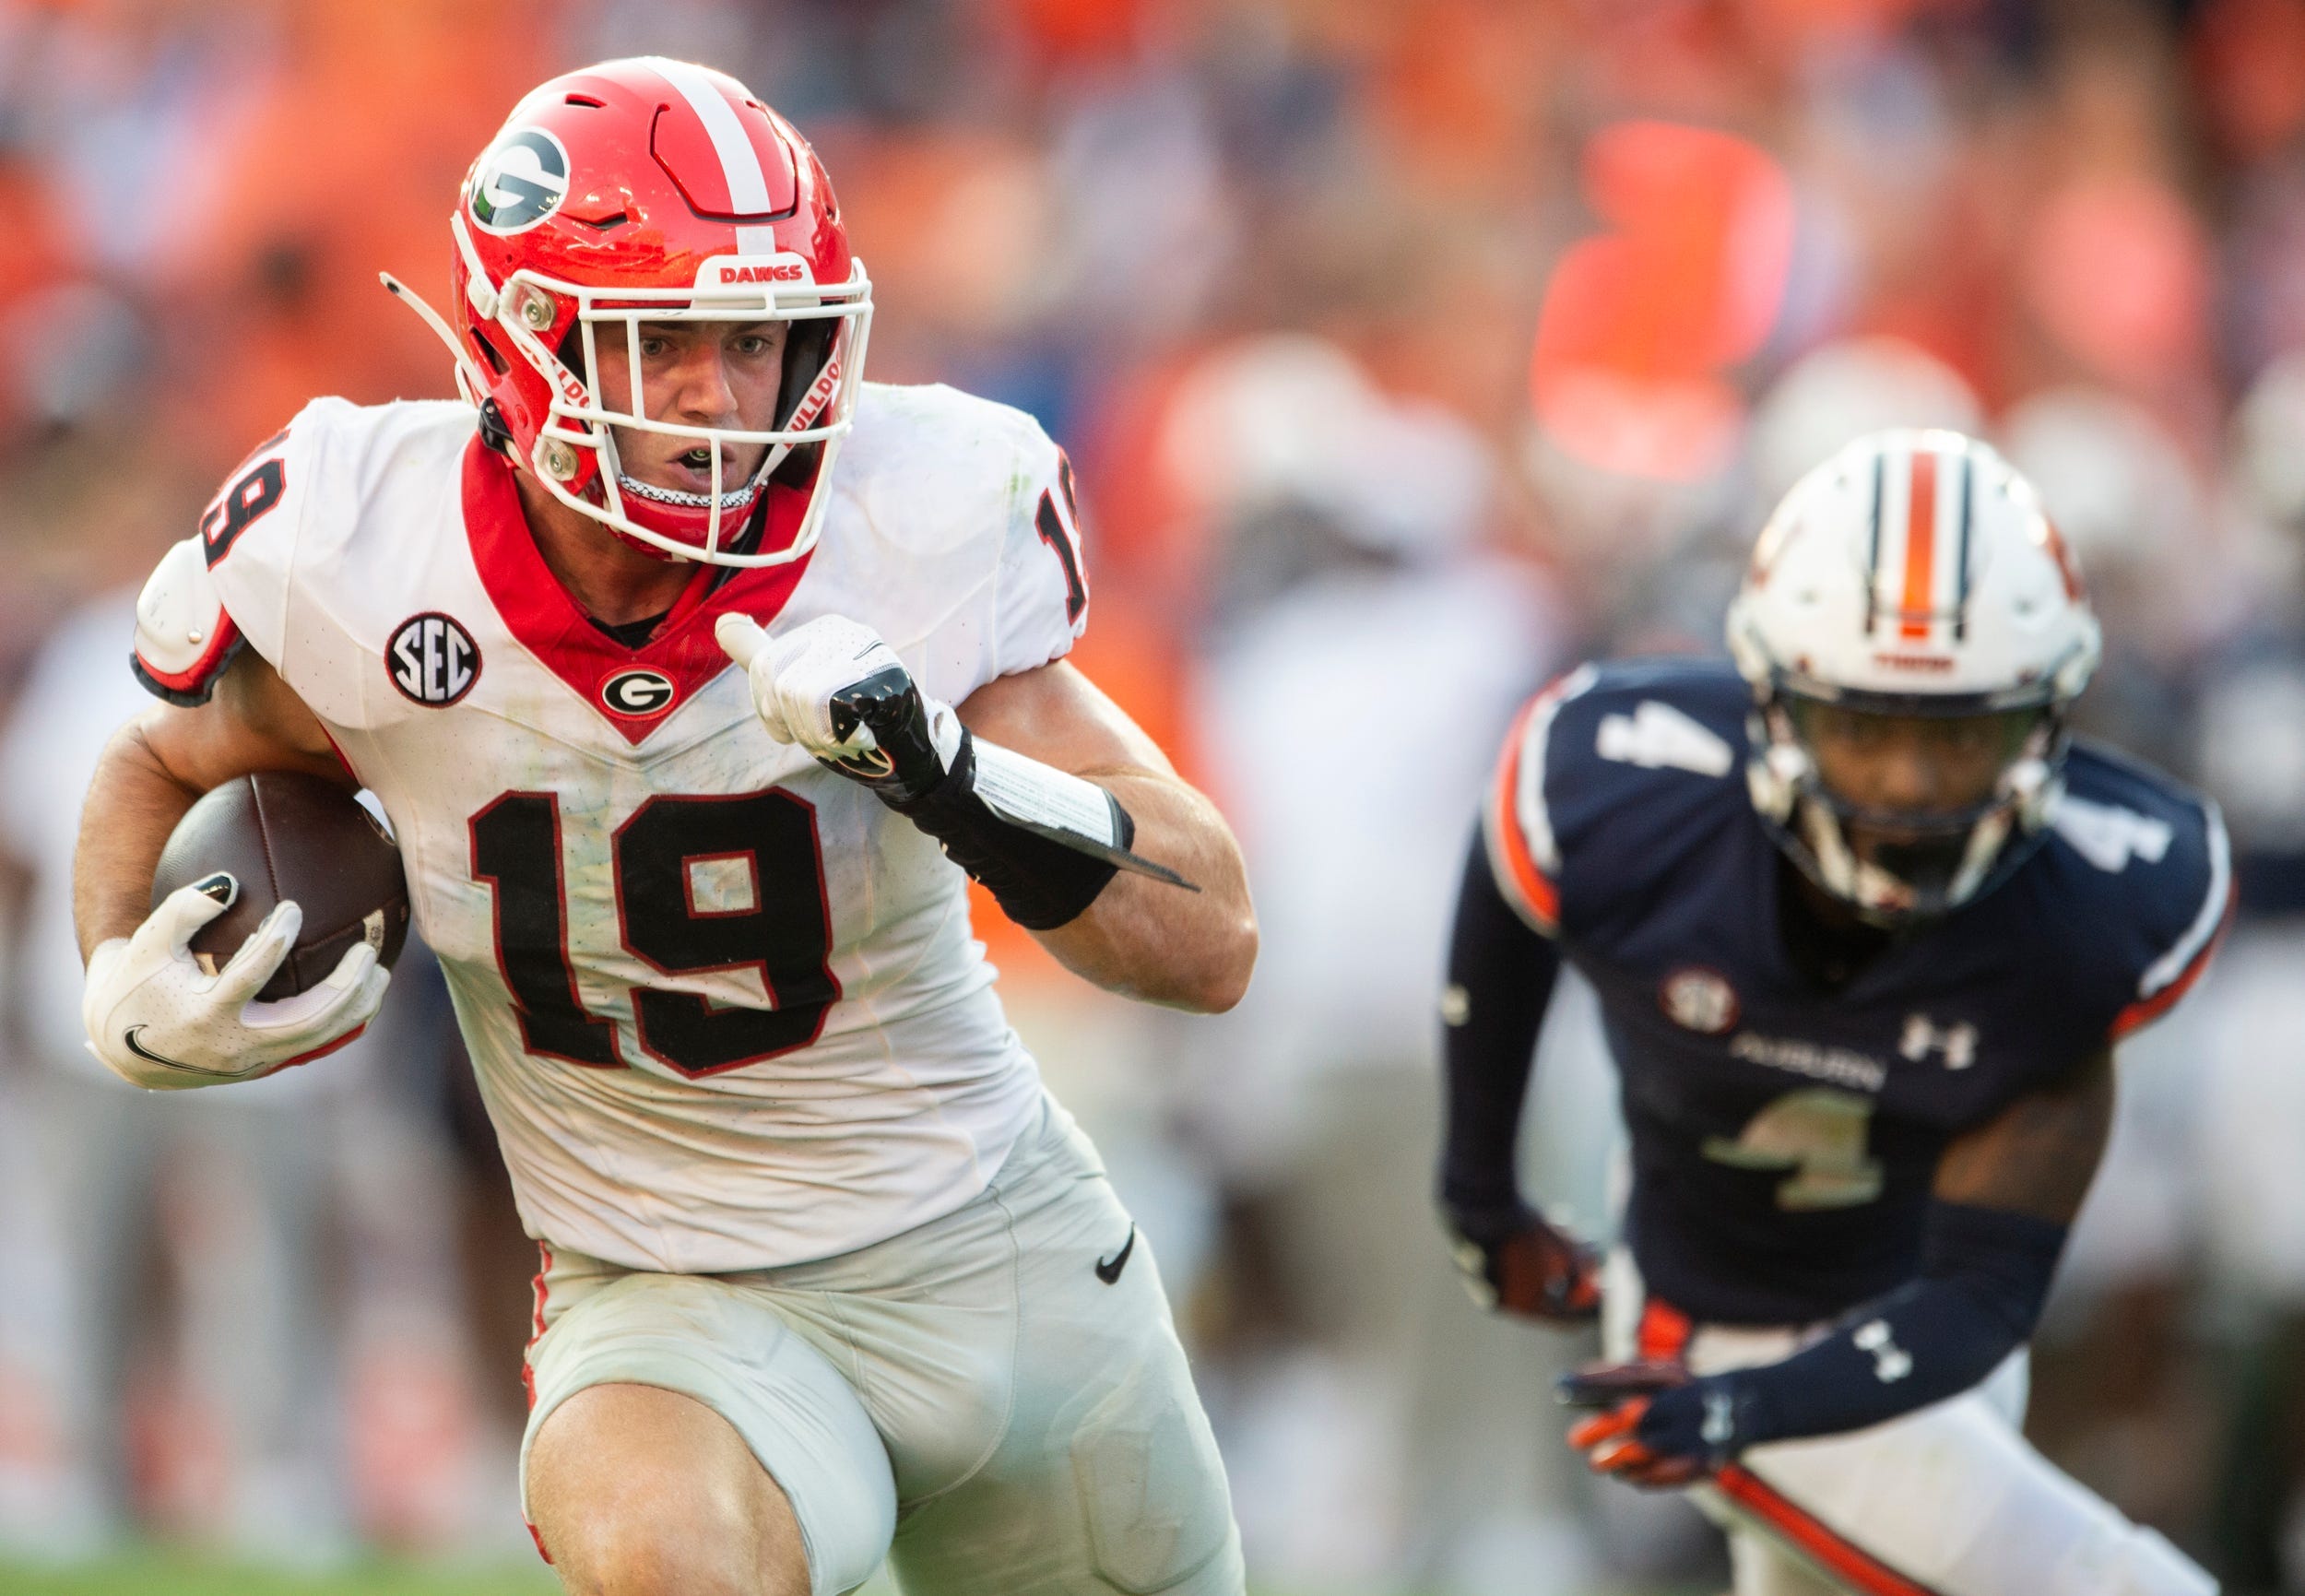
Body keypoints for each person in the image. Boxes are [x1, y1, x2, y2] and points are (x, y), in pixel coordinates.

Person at [72, 57, 1255, 1596]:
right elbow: (156, 755)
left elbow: (1209, 936)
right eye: (665, 341)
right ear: (524, 340)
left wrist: (949, 774)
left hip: (995, 1257)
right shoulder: (359, 546)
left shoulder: (914, 514)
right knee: (671, 1560)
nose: (721, 392)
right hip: (666, 1290)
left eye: (759, 338)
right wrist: (114, 984)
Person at [1439, 429, 2229, 1594]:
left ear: (2047, 721)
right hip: (1707, 1322)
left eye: (1958, 734)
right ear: (1772, 703)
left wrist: (1741, 1412)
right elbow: (1508, 896)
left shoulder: (2100, 905)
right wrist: (1480, 1193)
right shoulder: (1627, 789)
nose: (1909, 791)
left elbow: (1983, 1292)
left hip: (1914, 1347)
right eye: (1863, 728)